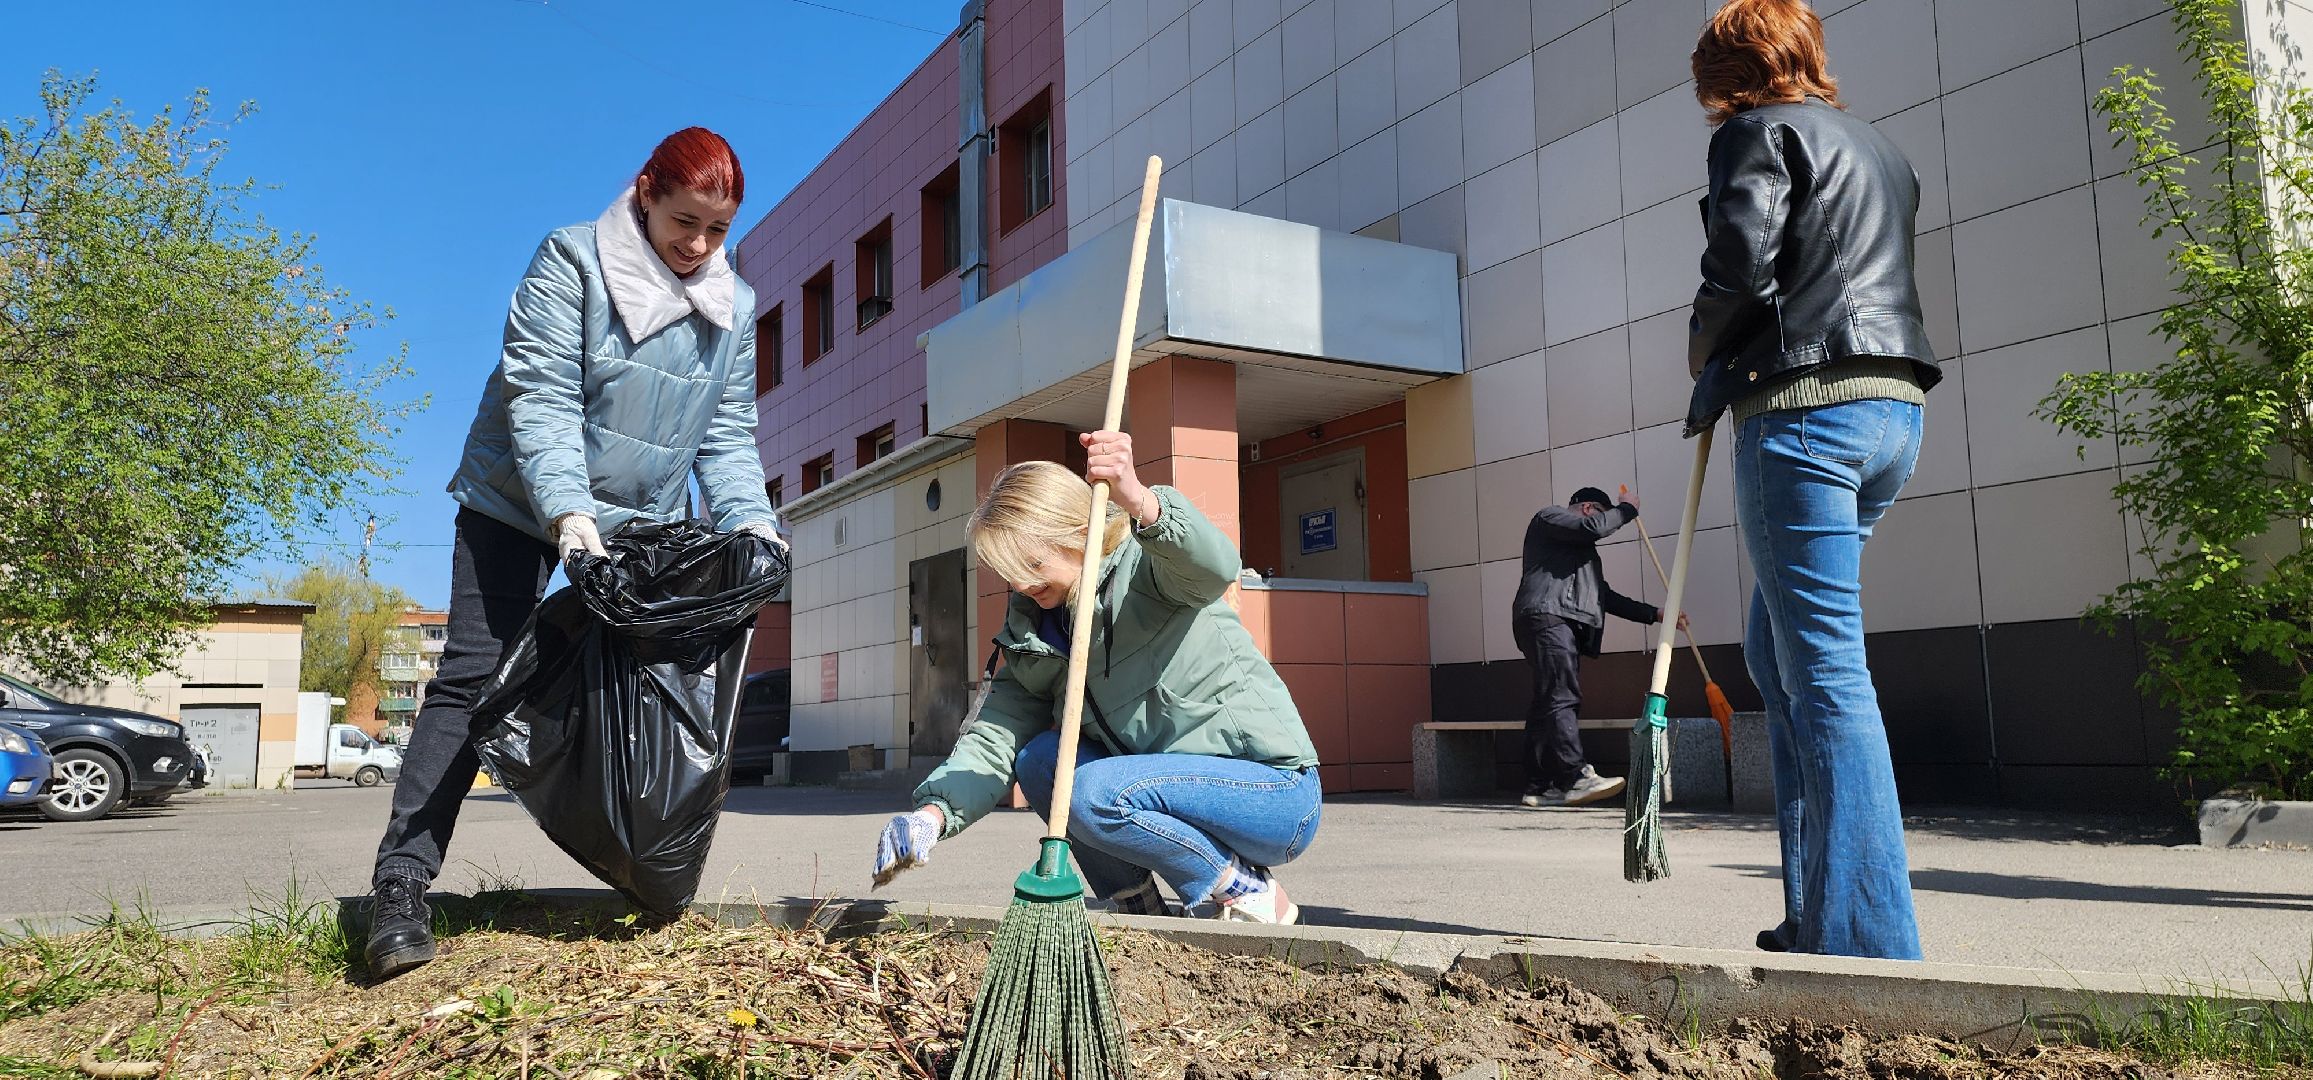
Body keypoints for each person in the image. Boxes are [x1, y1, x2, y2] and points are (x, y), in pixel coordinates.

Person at [364, 127, 784, 978]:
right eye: (684, 221)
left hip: (635, 522)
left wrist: (753, 524)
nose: (698, 246)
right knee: (472, 678)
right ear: (643, 190)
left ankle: (641, 873)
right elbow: (541, 395)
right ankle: (400, 886)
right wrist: (568, 515)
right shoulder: (571, 261)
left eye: (717, 230)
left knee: (646, 694)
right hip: (519, 503)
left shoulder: (732, 306)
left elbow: (727, 438)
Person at [1687, 0, 1943, 959]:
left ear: (1729, 71)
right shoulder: (1882, 150)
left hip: (1804, 415)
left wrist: (1698, 345)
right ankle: (1815, 911)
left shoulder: (1755, 132)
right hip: (1891, 413)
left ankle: (1870, 939)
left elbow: (1740, 268)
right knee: (1777, 658)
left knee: (1827, 676)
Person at [870, 431, 1322, 924]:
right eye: (1009, 571)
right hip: (1156, 791)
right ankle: (1136, 905)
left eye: (1032, 563)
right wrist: (931, 816)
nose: (1021, 583)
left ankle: (1242, 886)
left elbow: (1214, 567)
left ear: (1074, 530)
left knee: (1089, 791)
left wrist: (1142, 500)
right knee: (1042, 762)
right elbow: (994, 736)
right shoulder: (1035, 633)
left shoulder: (1148, 569)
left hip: (1272, 795)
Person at [1511, 487, 1680, 808]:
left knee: (1548, 702)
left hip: (1554, 620)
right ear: (1588, 508)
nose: (1604, 521)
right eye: (1602, 514)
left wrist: (1656, 614)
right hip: (1549, 617)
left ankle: (1539, 786)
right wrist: (1627, 510)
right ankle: (1575, 777)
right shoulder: (1550, 517)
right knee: (1562, 696)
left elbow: (1605, 596)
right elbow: (1593, 528)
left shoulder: (1577, 554)